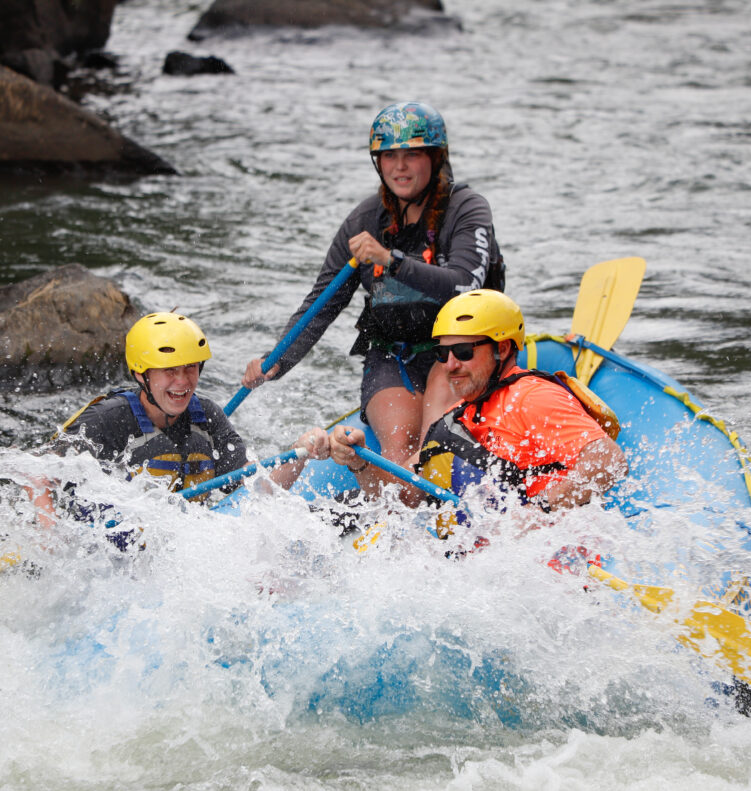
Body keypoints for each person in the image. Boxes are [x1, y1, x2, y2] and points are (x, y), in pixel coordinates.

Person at [241, 101, 505, 474]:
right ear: (377, 162)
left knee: (439, 443)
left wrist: (390, 260)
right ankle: (397, 518)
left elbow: (464, 283)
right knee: (400, 445)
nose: (399, 166)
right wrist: (275, 363)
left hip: (461, 352)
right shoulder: (364, 220)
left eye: (411, 154)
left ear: (435, 158)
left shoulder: (467, 209)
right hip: (393, 355)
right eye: (389, 156)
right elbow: (322, 302)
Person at [327, 291, 627, 520]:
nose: (450, 365)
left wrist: (539, 512)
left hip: (542, 555)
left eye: (463, 351)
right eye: (442, 354)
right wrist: (360, 462)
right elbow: (399, 499)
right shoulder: (458, 415)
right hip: (477, 565)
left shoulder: (533, 397)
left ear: (503, 348)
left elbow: (609, 460)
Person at [33, 312, 330, 524]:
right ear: (141, 374)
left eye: (190, 368)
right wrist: (50, 539)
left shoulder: (207, 417)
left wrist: (301, 450)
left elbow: (259, 488)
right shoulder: (108, 420)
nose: (183, 382)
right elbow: (36, 474)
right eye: (169, 370)